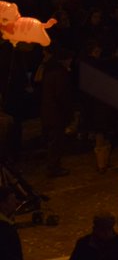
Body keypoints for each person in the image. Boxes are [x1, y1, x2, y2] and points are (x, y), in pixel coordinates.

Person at [39, 45, 75, 177]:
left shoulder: (50, 71)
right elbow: (62, 95)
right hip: (56, 113)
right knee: (56, 141)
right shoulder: (60, 74)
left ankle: (53, 165)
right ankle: (53, 167)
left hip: (49, 111)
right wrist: (68, 111)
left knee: (53, 140)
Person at [0, 186, 21, 260]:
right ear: (3, 205)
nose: (16, 203)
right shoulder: (4, 229)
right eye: (12, 200)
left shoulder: (7, 224)